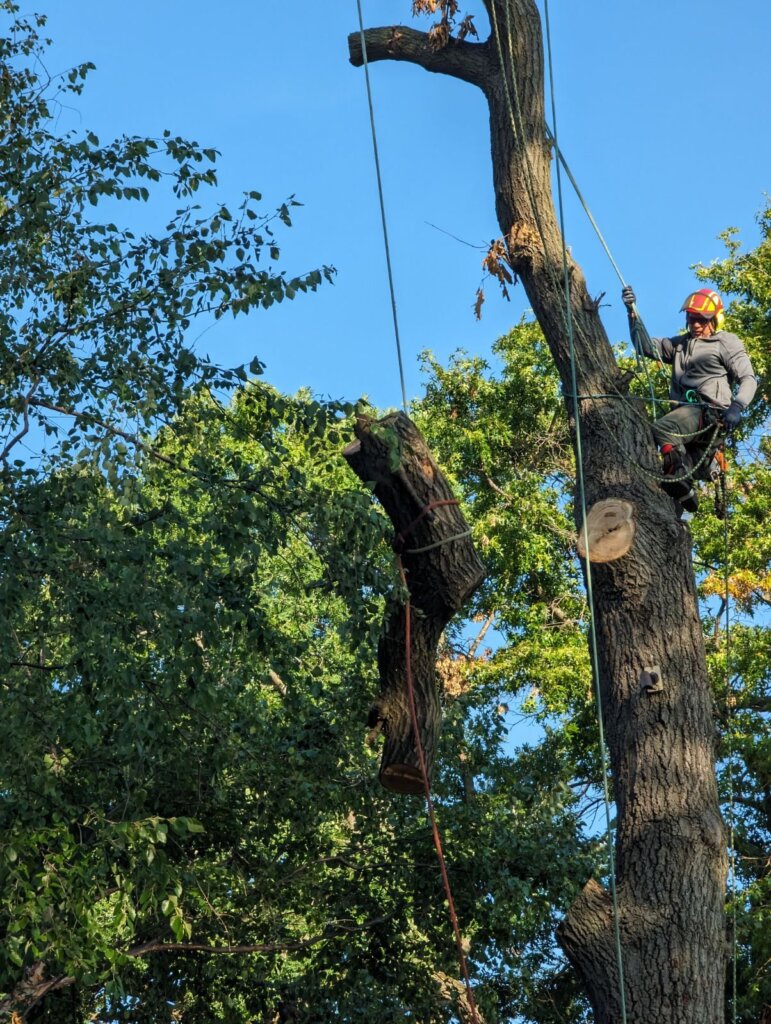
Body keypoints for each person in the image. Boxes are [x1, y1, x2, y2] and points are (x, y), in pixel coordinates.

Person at [621, 286, 757, 511]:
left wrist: (737, 406)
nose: (695, 324)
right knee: (668, 478)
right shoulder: (678, 345)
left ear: (715, 320)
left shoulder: (725, 342)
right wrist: (632, 312)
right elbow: (644, 346)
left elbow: (748, 378)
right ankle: (682, 508)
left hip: (710, 413)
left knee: (664, 429)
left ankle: (681, 481)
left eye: (701, 320)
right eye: (691, 319)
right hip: (688, 424)